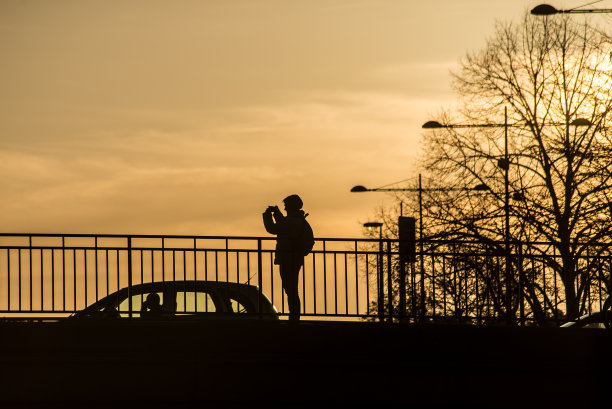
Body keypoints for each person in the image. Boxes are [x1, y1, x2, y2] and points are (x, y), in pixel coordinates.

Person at [263, 194, 314, 321]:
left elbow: (274, 229)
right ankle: (294, 316)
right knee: (291, 288)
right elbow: (284, 227)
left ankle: (294, 317)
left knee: (290, 289)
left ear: (291, 207)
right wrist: (277, 214)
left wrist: (267, 215)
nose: (285, 209)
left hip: (288, 258)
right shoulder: (298, 220)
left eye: (286, 206)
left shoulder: (292, 221)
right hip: (294, 258)